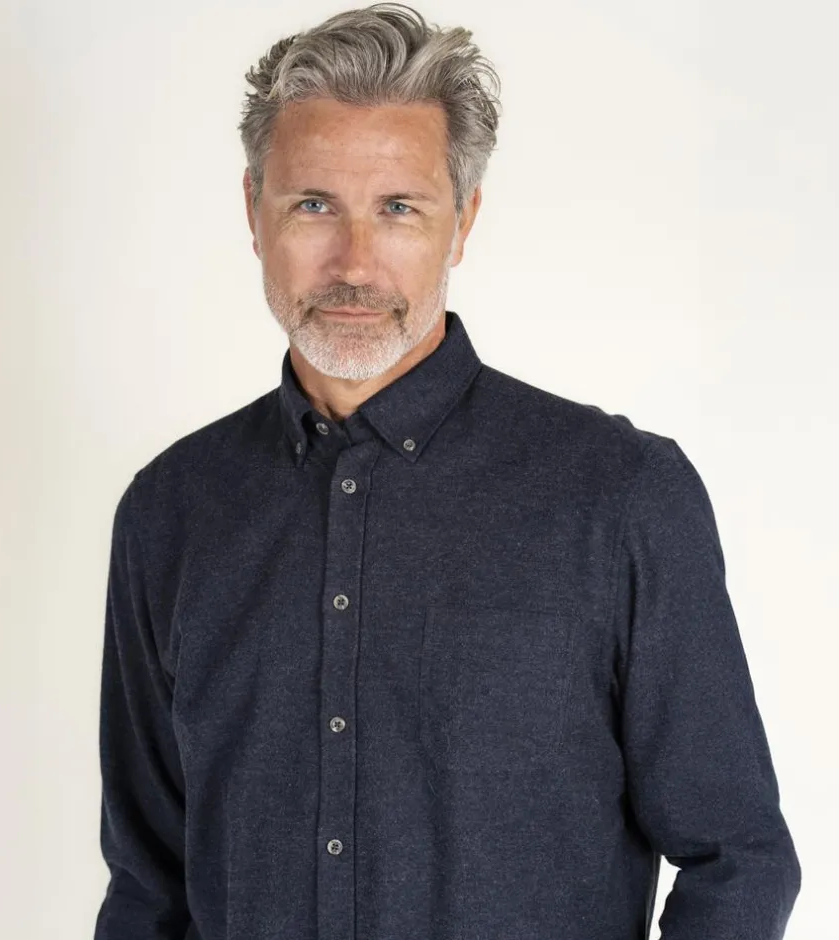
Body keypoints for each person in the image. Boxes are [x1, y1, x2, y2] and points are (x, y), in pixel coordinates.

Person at [93, 4, 801, 938]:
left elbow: (738, 860)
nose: (354, 264)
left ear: (462, 221)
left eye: (399, 208)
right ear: (254, 212)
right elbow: (149, 885)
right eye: (314, 205)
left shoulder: (620, 495)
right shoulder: (170, 511)